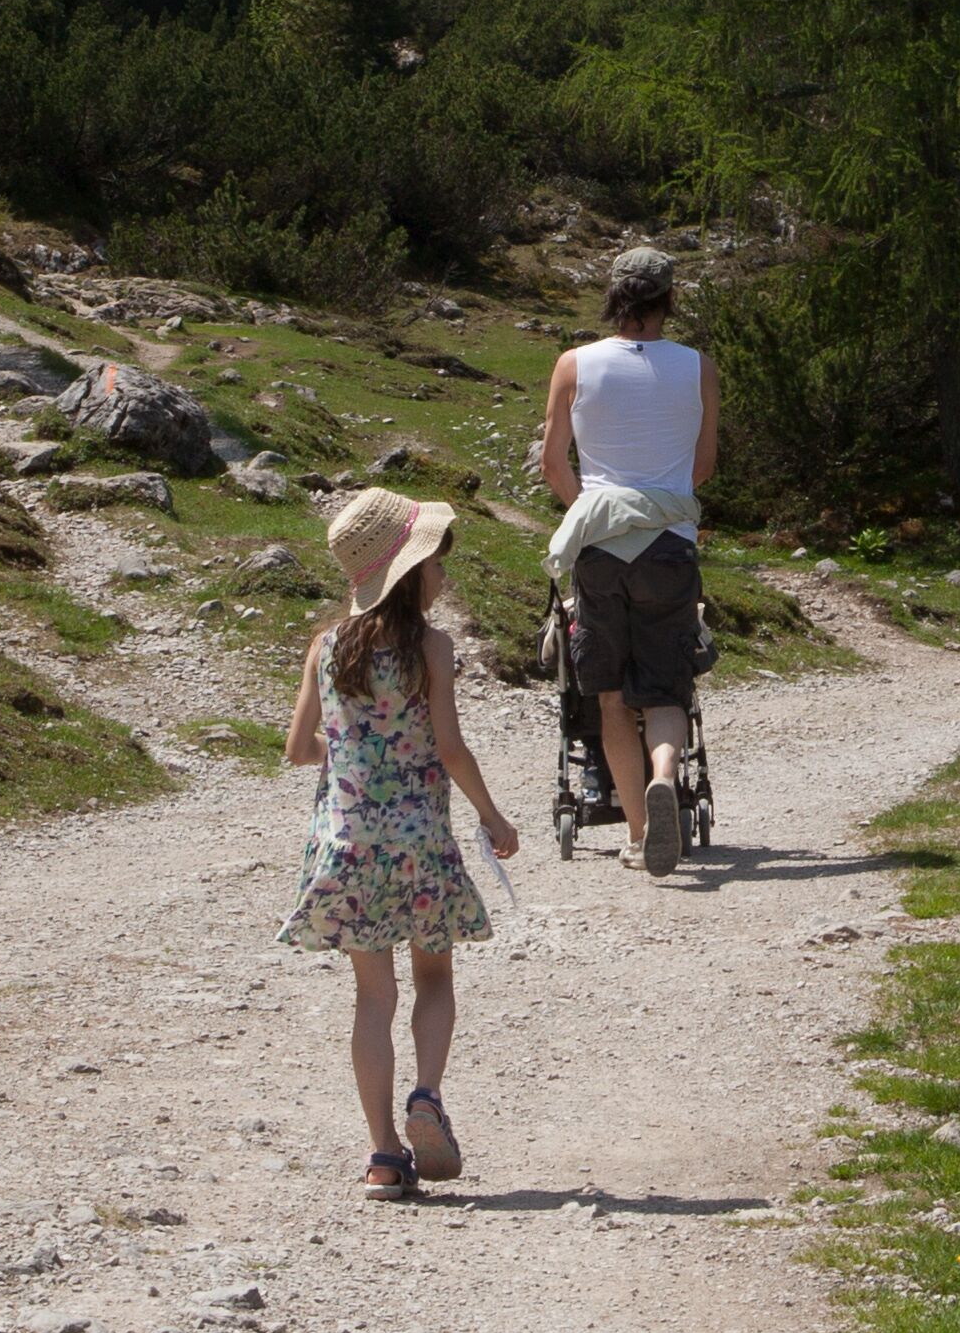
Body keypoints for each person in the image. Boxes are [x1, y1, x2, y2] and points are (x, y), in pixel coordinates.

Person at [281, 487, 522, 1199]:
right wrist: (493, 817)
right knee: (436, 978)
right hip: (420, 841)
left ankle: (384, 1154)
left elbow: (299, 748)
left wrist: (355, 752)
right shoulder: (433, 647)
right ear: (410, 572)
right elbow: (449, 748)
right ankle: (427, 1096)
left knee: (372, 997)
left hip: (348, 842)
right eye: (436, 564)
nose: (444, 577)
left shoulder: (325, 647)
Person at [536, 242, 717, 873]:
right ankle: (664, 775)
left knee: (610, 695)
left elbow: (553, 463)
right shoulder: (698, 366)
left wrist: (591, 511)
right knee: (666, 685)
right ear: (669, 299)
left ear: (613, 296)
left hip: (602, 546)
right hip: (669, 543)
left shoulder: (574, 364)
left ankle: (640, 834)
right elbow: (701, 467)